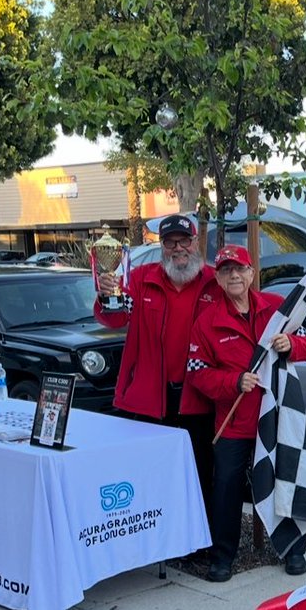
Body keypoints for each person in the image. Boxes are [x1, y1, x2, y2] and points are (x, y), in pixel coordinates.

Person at [185, 244, 306, 582]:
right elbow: (197, 372)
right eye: (226, 270)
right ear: (217, 277)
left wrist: (292, 345)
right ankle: (222, 557)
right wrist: (233, 381)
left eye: (239, 269)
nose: (234, 276)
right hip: (235, 421)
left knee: (284, 480)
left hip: (276, 418)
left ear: (251, 273)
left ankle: (293, 550)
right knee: (226, 489)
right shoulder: (207, 323)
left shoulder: (276, 310)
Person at [94, 213, 221, 537]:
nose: (178, 248)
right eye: (170, 242)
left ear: (195, 242)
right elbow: (113, 319)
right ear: (161, 246)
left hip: (198, 398)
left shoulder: (214, 281)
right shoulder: (139, 278)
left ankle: (197, 540)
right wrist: (105, 293)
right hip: (151, 398)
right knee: (151, 474)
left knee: (199, 472)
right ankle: (158, 539)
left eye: (184, 240)